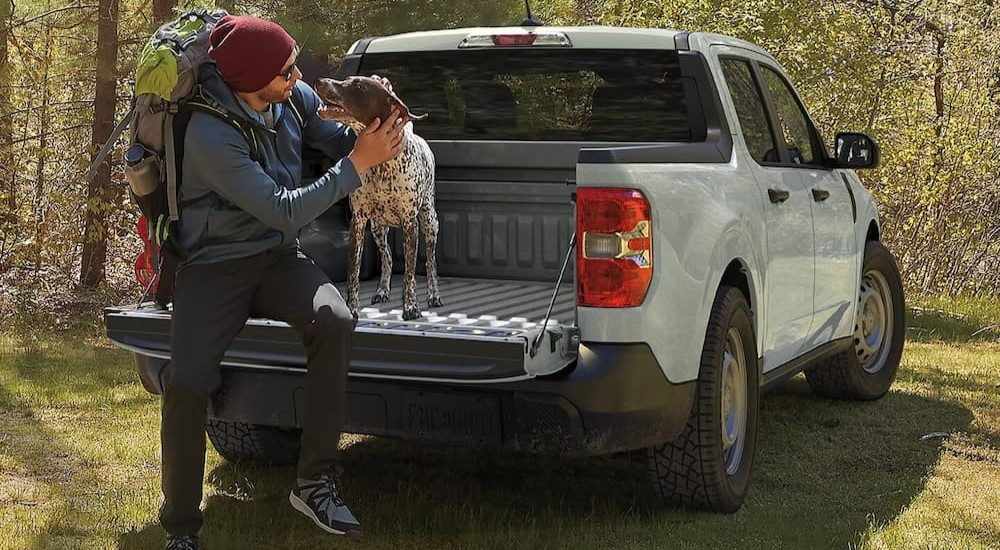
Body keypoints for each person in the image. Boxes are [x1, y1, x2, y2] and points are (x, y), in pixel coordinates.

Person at [159, 15, 404, 550]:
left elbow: (334, 138)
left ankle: (315, 482)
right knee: (187, 381)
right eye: (287, 71)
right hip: (213, 266)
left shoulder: (290, 99)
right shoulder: (210, 133)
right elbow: (282, 209)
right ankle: (180, 526)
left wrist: (377, 127)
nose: (299, 77)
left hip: (277, 259)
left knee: (334, 319)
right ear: (250, 80)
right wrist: (358, 165)